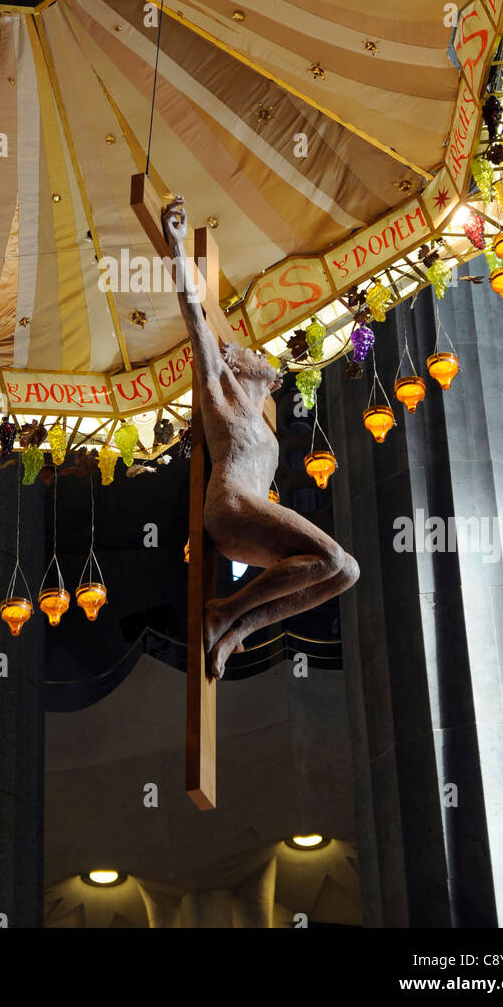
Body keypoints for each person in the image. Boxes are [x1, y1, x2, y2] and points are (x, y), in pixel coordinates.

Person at [161, 196, 359, 679]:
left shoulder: (262, 414)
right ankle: (224, 613)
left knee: (346, 571)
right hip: (230, 505)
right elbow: (195, 316)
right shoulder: (219, 392)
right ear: (235, 364)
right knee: (330, 556)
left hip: (249, 516)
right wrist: (176, 244)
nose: (260, 352)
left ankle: (236, 627)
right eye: (249, 350)